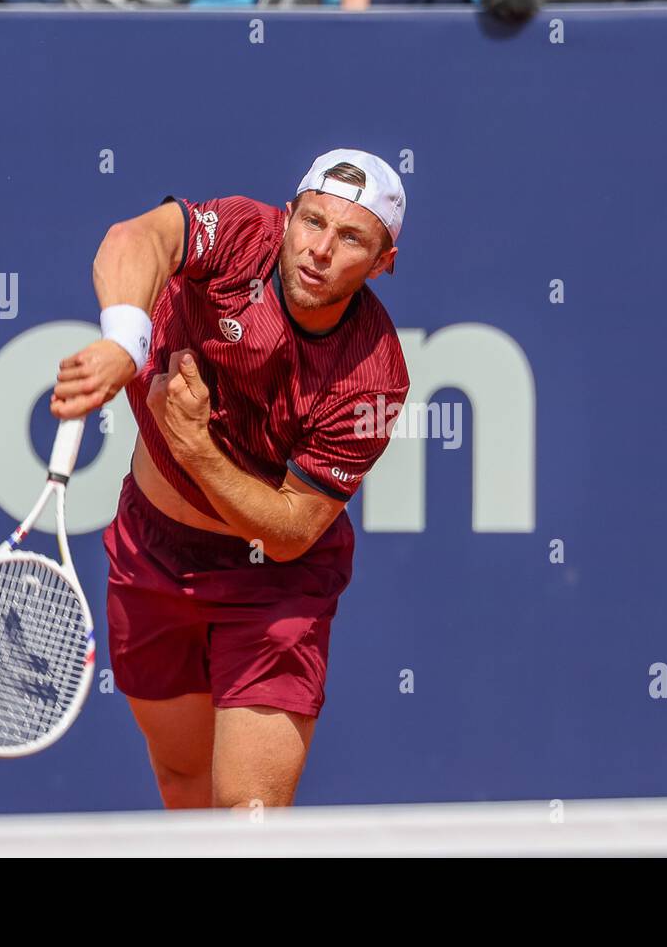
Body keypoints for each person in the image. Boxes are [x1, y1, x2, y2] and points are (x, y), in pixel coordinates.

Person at [50, 149, 409, 809]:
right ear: (288, 217)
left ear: (384, 262)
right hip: (152, 557)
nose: (320, 249)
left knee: (247, 820)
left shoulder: (376, 379)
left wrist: (197, 449)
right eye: (312, 222)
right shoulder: (243, 233)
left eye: (351, 237)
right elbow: (137, 237)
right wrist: (123, 343)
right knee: (183, 783)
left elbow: (293, 531)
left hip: (273, 588)